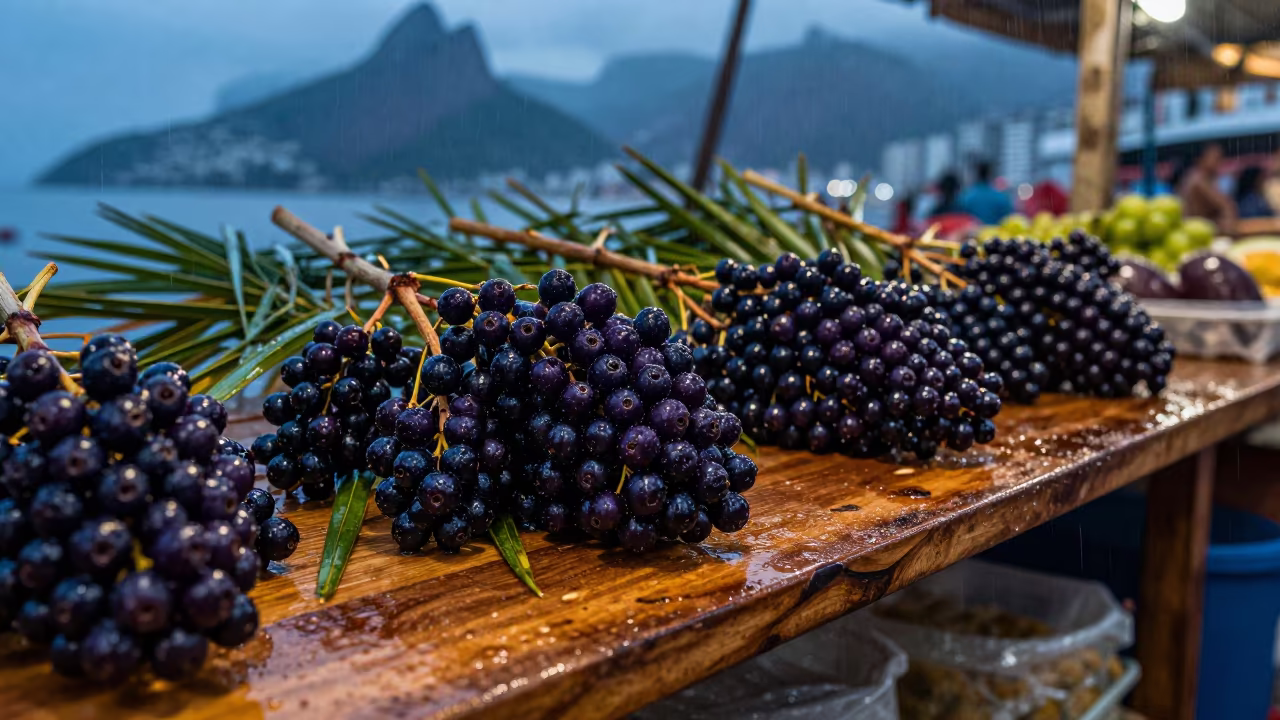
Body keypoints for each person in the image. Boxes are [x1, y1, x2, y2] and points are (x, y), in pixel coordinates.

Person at [1178, 142, 1237, 232]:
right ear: (1201, 159)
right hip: (1197, 232)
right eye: (1215, 158)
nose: (1219, 162)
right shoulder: (1198, 180)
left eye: (1220, 158)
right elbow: (1226, 206)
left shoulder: (1198, 177)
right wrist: (1228, 231)